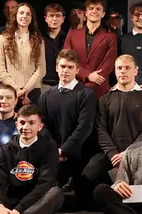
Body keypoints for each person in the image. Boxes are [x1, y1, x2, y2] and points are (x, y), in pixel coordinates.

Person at [85, 55, 142, 196]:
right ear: (115, 71)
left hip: (139, 152)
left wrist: (128, 152)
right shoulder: (105, 98)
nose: (123, 71)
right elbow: (101, 129)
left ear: (135, 71)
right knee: (87, 176)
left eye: (127, 68)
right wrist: (113, 154)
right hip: (111, 154)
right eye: (119, 68)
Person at [38, 49, 97, 204]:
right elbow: (43, 127)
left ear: (77, 70)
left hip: (81, 153)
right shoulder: (46, 95)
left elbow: (84, 127)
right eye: (62, 66)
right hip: (54, 153)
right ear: (56, 68)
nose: (65, 71)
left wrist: (64, 150)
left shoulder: (86, 94)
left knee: (82, 203)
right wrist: (54, 151)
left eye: (70, 67)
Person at [63, 0, 118, 98]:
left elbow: (109, 62)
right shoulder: (72, 34)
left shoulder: (110, 37)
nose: (94, 11)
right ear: (86, 13)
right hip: (75, 85)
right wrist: (86, 75)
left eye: (98, 9)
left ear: (103, 14)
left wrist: (95, 78)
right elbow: (67, 58)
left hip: (99, 88)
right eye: (91, 8)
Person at [0, 2, 46, 106]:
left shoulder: (38, 40)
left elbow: (41, 69)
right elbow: (0, 70)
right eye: (21, 13)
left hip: (33, 92)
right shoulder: (2, 39)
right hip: (11, 92)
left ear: (32, 18)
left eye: (28, 14)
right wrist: (17, 90)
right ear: (15, 16)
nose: (24, 16)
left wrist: (26, 89)